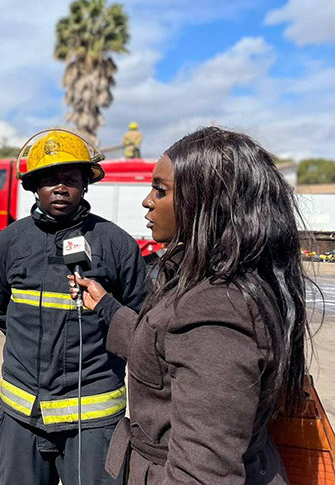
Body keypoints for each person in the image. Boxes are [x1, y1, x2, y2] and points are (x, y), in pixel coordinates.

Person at [70, 126, 309, 483]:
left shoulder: (218, 314)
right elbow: (164, 350)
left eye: (161, 190)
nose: (147, 201)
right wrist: (106, 307)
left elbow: (203, 473)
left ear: (207, 204)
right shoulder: (199, 279)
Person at [0, 129, 148, 485]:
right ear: (33, 186)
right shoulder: (10, 241)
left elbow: (139, 322)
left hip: (91, 421)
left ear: (86, 185)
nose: (61, 188)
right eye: (50, 180)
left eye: (71, 179)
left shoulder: (117, 245)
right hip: (22, 415)